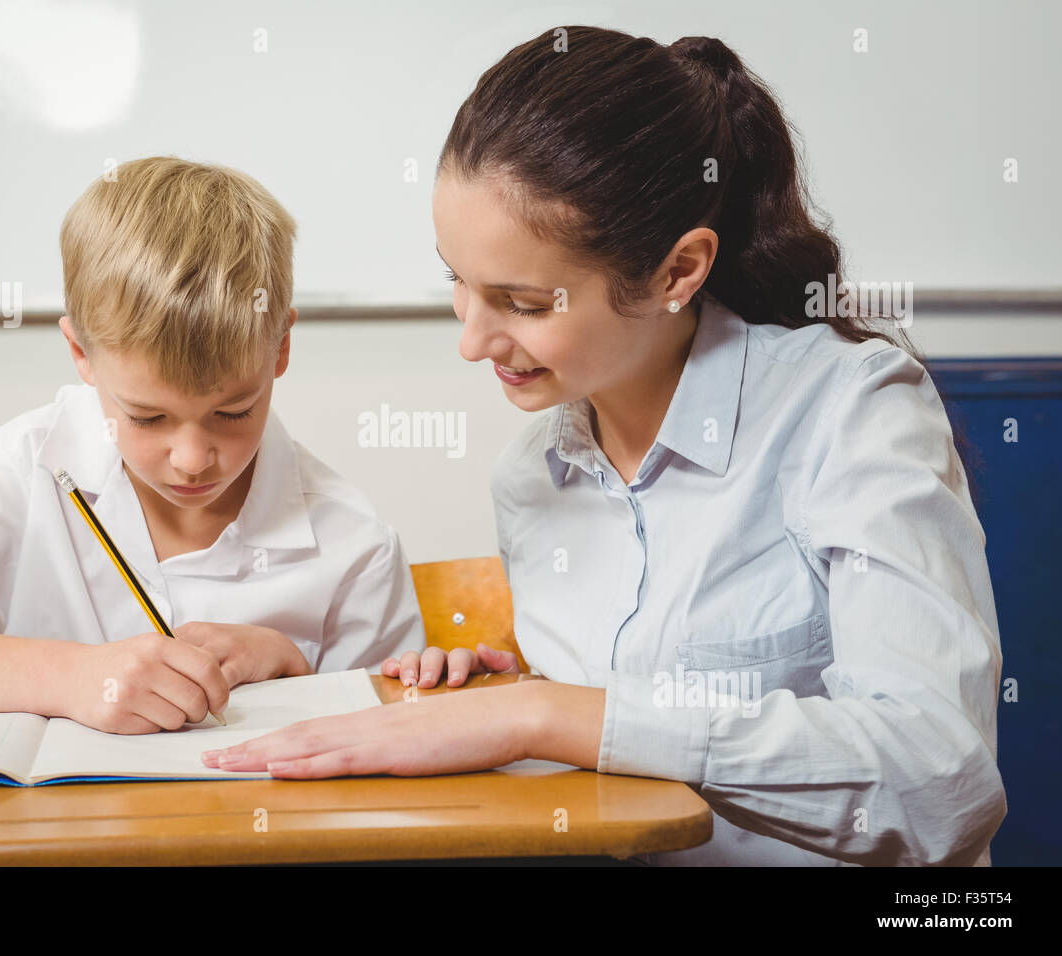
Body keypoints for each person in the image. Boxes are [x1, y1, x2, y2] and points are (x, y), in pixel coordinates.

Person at [200, 28, 1006, 866]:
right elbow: (606, 760)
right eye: (459, 284)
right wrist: (506, 694)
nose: (473, 341)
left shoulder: (851, 411)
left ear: (676, 272)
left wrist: (552, 716)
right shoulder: (532, 475)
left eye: (521, 301)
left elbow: (936, 784)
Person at [0, 157, 426, 735]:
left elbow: (386, 750)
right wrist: (68, 676)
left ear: (281, 348)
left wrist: (296, 673)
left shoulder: (355, 546)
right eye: (149, 417)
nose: (191, 458)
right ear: (82, 355)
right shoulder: (26, 468)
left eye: (232, 411)